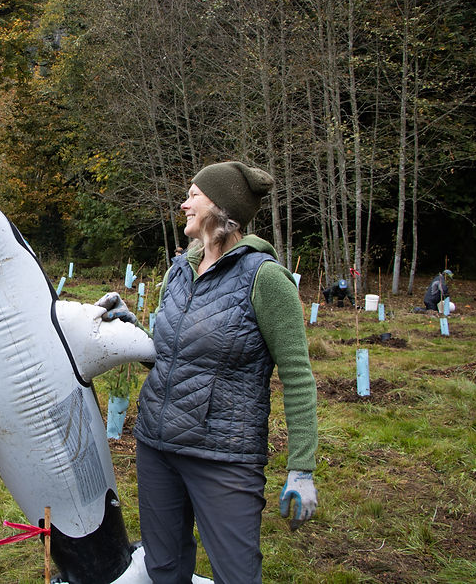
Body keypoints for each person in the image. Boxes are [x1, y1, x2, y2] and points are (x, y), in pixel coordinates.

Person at [99, 161, 318, 584]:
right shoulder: (178, 271)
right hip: (156, 446)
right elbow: (169, 353)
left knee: (235, 574)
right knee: (163, 568)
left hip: (224, 457)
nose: (184, 204)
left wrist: (302, 467)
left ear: (219, 207)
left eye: (193, 196)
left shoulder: (265, 279)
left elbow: (297, 375)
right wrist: (133, 331)